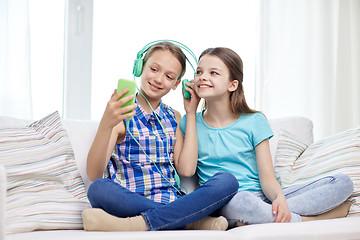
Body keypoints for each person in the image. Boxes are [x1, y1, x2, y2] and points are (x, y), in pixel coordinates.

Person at [179, 47, 354, 227]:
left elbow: (268, 178)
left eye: (213, 73)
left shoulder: (254, 121)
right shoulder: (189, 122)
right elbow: (186, 171)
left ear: (232, 85)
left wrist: (279, 199)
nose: (202, 77)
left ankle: (259, 218)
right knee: (243, 202)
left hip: (262, 197)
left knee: (342, 183)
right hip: (229, 201)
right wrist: (191, 113)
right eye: (199, 72)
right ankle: (308, 219)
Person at [81, 41, 239, 231]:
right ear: (140, 67)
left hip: (171, 199)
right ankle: (190, 221)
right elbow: (94, 173)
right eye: (154, 69)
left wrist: (191, 113)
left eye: (168, 76)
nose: (158, 79)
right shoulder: (121, 113)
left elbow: (187, 170)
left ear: (176, 84)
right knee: (98, 189)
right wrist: (107, 124)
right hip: (130, 201)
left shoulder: (174, 117)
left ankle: (139, 224)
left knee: (227, 181)